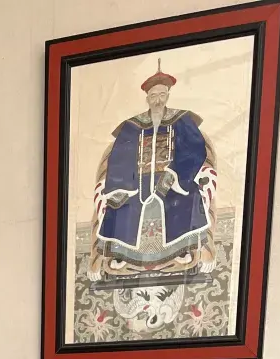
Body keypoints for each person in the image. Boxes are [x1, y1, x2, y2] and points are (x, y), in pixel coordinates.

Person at [87, 62, 217, 283]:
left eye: (162, 95)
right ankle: (118, 258)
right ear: (147, 98)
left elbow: (195, 149)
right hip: (135, 183)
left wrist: (174, 175)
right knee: (120, 208)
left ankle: (193, 251)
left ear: (168, 95)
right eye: (154, 96)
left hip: (175, 179)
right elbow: (119, 157)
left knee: (188, 199)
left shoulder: (182, 120)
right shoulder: (132, 126)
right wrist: (123, 186)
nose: (158, 100)